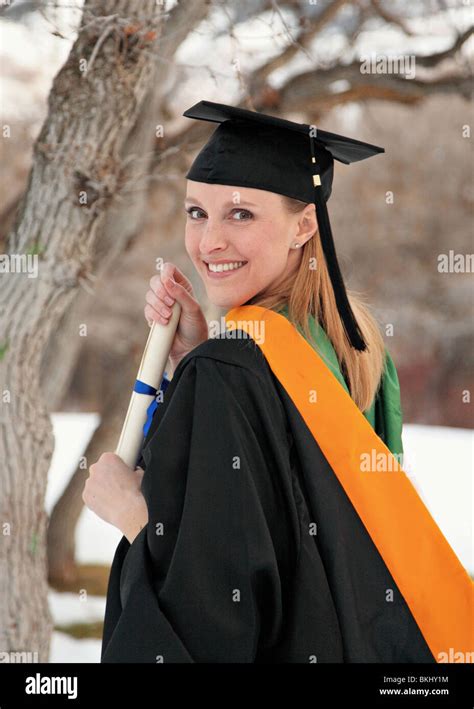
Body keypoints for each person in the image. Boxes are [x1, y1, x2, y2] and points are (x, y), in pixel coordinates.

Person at [83, 101, 472, 663]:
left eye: (240, 214)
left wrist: (134, 517)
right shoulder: (356, 346)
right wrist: (196, 361)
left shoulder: (228, 371)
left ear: (304, 225)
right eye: (196, 213)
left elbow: (214, 612)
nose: (209, 242)